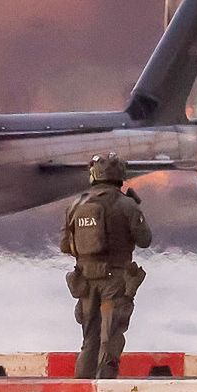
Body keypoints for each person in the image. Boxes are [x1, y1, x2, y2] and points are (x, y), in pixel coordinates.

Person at [60, 152, 152, 379]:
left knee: (89, 339)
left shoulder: (76, 205)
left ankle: (82, 390)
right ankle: (106, 388)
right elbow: (145, 240)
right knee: (110, 337)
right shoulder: (127, 205)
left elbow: (65, 246)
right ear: (120, 175)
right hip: (115, 280)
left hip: (85, 282)